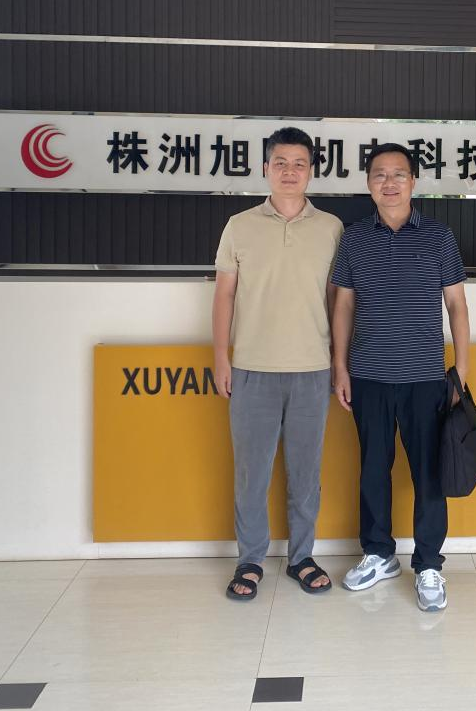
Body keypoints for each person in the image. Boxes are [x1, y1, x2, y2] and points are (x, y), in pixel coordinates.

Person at [330, 143, 471, 612]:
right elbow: (344, 304)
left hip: (426, 377)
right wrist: (340, 366)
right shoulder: (354, 239)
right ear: (368, 182)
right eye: (379, 174)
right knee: (373, 468)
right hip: (368, 375)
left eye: (398, 174)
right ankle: (379, 554)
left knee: (429, 473)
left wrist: (461, 371)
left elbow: (456, 305)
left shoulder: (439, 237)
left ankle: (428, 563)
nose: (388, 183)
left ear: (413, 181)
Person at [212, 127, 343, 601]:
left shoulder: (331, 228)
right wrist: (221, 356)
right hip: (251, 368)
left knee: (306, 474)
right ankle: (249, 561)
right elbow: (224, 295)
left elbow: (337, 300)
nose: (290, 171)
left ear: (312, 171)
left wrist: (339, 362)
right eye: (281, 163)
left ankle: (301, 557)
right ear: (266, 168)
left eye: (299, 163)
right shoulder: (239, 225)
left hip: (312, 368)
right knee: (252, 474)